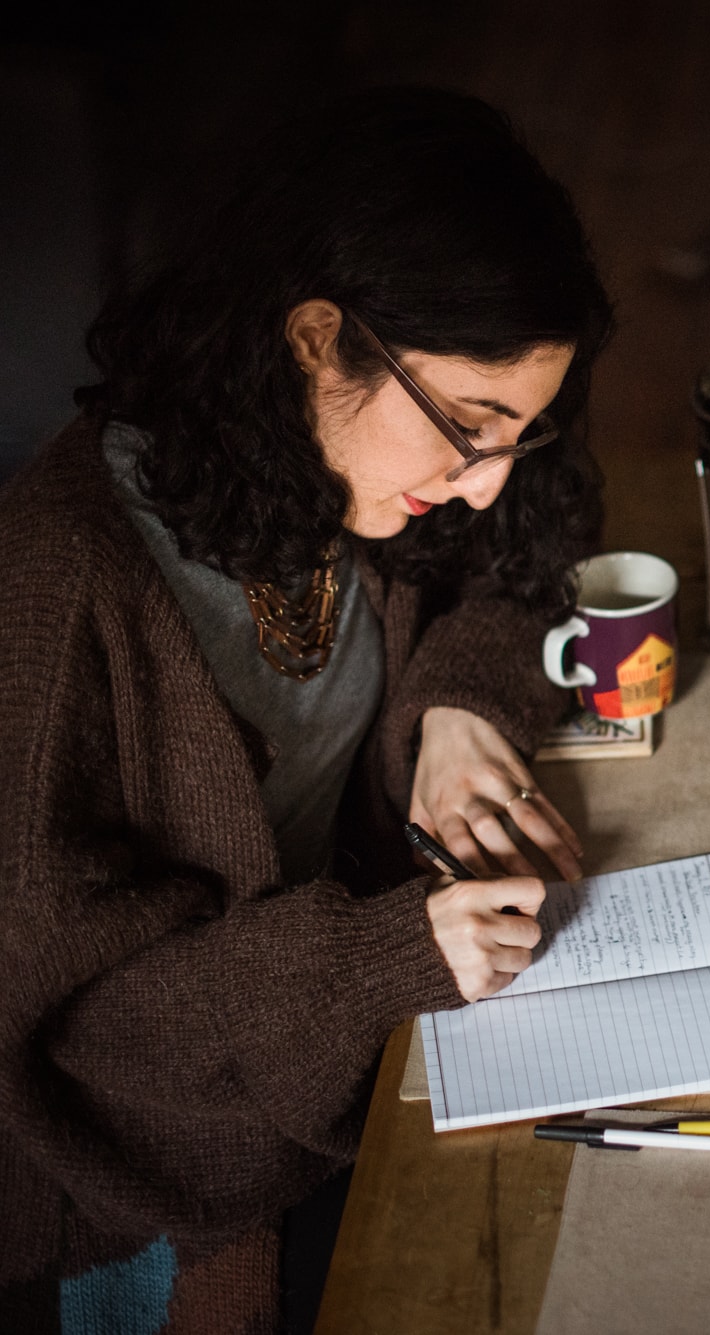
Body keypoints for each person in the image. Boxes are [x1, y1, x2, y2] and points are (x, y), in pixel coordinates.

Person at [0, 89, 612, 1331]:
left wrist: (453, 716)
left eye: (523, 436)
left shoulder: (338, 479)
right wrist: (380, 962)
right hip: (157, 1151)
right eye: (471, 427)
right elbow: (77, 1028)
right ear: (315, 337)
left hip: (345, 1033)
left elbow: (522, 564)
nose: (489, 485)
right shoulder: (67, 590)